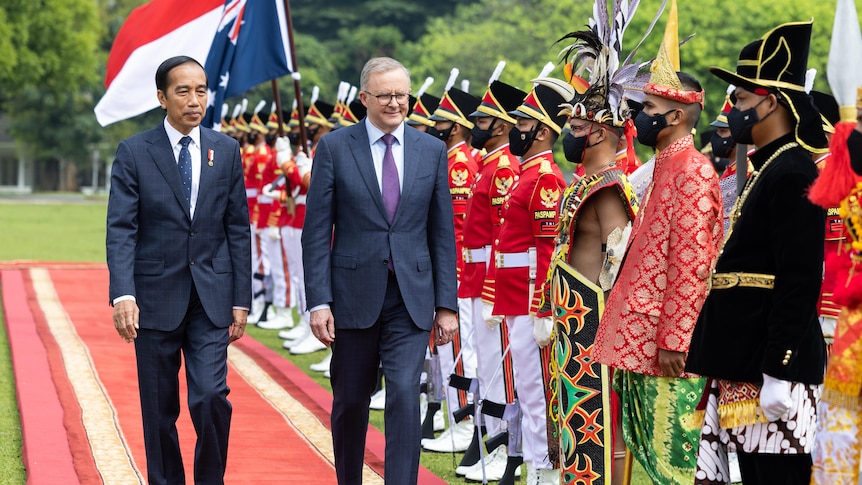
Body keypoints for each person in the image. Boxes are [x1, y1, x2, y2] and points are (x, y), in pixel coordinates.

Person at [301, 56, 459, 485]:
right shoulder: (335, 147)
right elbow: (316, 232)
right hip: (351, 296)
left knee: (406, 395)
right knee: (351, 400)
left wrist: (447, 305)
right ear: (365, 98)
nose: (395, 103)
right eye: (386, 95)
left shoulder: (431, 150)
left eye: (401, 95)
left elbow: (442, 232)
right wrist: (318, 302)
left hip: (411, 296)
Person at [685, 20, 829, 485]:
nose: (733, 108)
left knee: (776, 476)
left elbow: (799, 278)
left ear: (770, 101)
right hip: (745, 359)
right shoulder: (770, 167)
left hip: (768, 365)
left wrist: (779, 369)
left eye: (742, 100)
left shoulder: (792, 172)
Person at [590, 5, 723, 482]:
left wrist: (675, 339)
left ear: (677, 114)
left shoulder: (691, 171)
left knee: (674, 463)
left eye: (647, 110)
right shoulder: (665, 163)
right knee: (649, 456)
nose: (638, 118)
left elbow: (690, 265)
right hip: (640, 335)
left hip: (664, 345)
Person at [106, 55, 251, 485]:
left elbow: (237, 228)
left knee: (210, 397)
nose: (194, 99)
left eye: (201, 90)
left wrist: (241, 299)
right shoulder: (134, 152)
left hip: (211, 299)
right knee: (158, 407)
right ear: (161, 97)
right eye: (183, 91)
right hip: (153, 299)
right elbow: (121, 229)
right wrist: (123, 293)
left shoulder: (225, 150)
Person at [490, 78, 568, 485]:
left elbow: (546, 253)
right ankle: (539, 464)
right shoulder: (526, 175)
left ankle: (546, 468)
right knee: (526, 386)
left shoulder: (545, 180)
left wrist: (543, 307)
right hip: (513, 295)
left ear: (541, 130)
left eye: (521, 122)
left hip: (529, 300)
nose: (514, 129)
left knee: (537, 391)